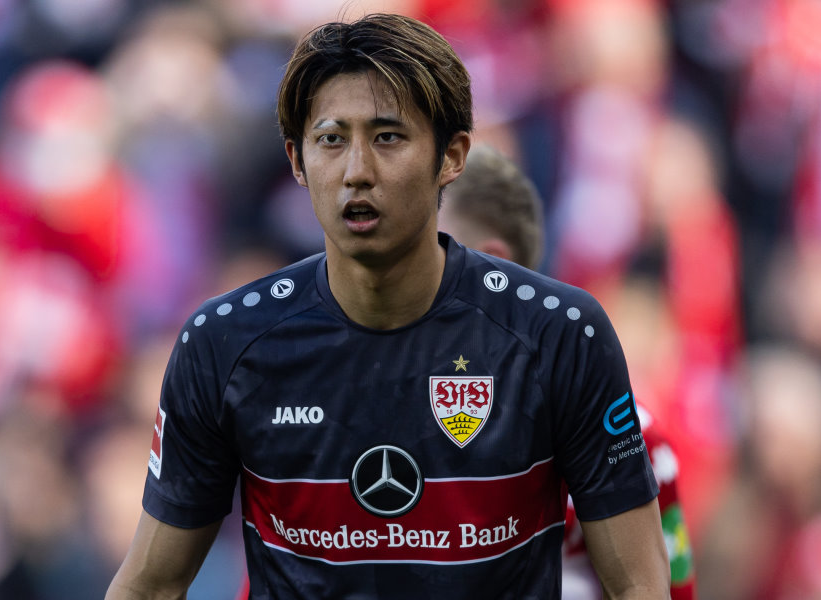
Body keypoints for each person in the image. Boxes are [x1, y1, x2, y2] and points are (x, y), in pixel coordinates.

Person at [106, 13, 669, 599]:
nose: (357, 171)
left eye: (388, 137)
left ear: (452, 156)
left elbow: (639, 585)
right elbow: (149, 586)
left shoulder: (560, 333)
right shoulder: (223, 342)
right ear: (297, 161)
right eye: (331, 140)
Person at [440, 144, 695, 599]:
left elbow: (670, 590)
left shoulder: (630, 436)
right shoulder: (364, 407)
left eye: (424, 249)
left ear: (489, 261)